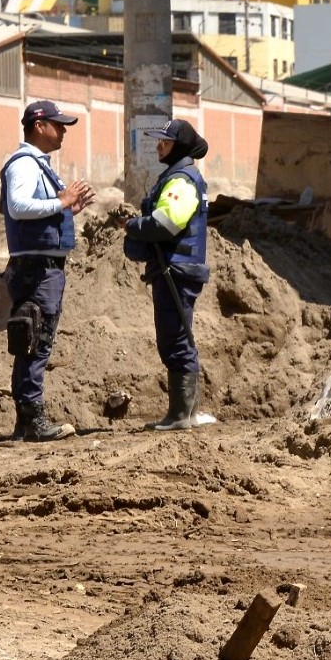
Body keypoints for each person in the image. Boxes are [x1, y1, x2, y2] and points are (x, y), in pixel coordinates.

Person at [1, 100, 96, 441]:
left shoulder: (38, 165)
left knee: (35, 338)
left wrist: (68, 209)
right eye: (58, 125)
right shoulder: (24, 164)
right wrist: (62, 202)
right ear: (39, 126)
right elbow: (19, 205)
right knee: (34, 339)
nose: (64, 131)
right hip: (35, 269)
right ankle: (31, 419)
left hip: (43, 266)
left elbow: (39, 213)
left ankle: (27, 421)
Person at [123, 118, 213, 430]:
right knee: (179, 338)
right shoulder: (180, 177)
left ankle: (180, 416)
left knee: (174, 340)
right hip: (175, 269)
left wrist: (133, 226)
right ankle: (185, 413)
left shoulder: (181, 181)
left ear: (180, 147)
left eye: (165, 141)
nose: (159, 145)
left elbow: (167, 222)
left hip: (176, 270)